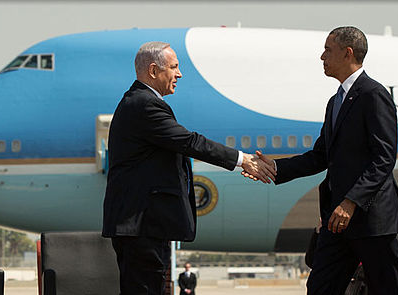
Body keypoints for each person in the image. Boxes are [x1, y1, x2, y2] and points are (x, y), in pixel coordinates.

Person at [249, 26, 398, 294]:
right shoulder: (335, 101)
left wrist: (351, 202)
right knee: (320, 287)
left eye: (328, 50)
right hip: (337, 220)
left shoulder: (373, 95)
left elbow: (384, 158)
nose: (322, 57)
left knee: (391, 289)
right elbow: (321, 156)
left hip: (370, 219)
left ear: (347, 53)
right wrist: (276, 168)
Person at [102, 41, 276, 295]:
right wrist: (242, 160)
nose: (179, 74)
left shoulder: (141, 102)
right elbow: (189, 142)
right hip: (141, 226)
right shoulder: (144, 105)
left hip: (145, 226)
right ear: (153, 70)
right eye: (173, 67)